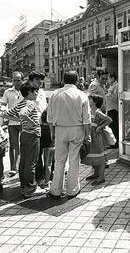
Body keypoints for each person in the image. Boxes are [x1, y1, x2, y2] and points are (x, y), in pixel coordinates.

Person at [47, 71, 91, 199]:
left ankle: (55, 189)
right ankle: (72, 190)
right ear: (77, 80)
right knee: (74, 160)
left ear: (63, 80)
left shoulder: (55, 94)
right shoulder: (82, 95)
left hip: (59, 129)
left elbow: (49, 117)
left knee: (59, 160)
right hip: (77, 129)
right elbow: (87, 119)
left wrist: (52, 132)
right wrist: (87, 135)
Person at [4, 81, 42, 198]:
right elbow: (23, 113)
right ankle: (30, 188)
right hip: (33, 135)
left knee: (24, 161)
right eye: (35, 91)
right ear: (29, 92)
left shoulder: (21, 102)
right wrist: (32, 123)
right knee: (31, 162)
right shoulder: (31, 103)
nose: (37, 93)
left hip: (24, 134)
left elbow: (6, 114)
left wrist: (22, 121)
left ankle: (24, 186)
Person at [82, 94, 112, 185]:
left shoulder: (97, 112)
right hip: (91, 136)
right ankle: (96, 173)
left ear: (94, 102)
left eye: (90, 99)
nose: (88, 100)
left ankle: (101, 177)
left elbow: (109, 119)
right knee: (94, 155)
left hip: (97, 137)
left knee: (100, 156)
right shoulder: (90, 111)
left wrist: (100, 127)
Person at [28, 70, 48, 188]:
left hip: (44, 126)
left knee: (45, 152)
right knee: (36, 154)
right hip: (33, 127)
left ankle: (46, 175)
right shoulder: (26, 93)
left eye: (41, 80)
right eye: (37, 80)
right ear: (31, 81)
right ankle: (38, 178)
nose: (40, 82)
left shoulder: (42, 92)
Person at [1, 71, 23, 177]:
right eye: (14, 80)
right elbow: (3, 106)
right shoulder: (8, 92)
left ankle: (21, 166)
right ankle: (13, 168)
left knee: (24, 145)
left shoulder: (26, 91)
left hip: (24, 122)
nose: (16, 82)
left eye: (18, 80)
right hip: (12, 122)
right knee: (13, 145)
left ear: (22, 80)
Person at [39, 109, 54, 188]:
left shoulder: (40, 128)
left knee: (45, 164)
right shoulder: (52, 129)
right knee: (49, 164)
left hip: (43, 146)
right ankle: (47, 182)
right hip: (51, 146)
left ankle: (45, 180)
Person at [105, 72, 118, 148]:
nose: (108, 80)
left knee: (114, 126)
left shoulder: (116, 86)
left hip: (114, 108)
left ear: (113, 78)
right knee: (111, 126)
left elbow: (115, 97)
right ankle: (113, 142)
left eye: (109, 78)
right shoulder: (112, 85)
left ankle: (115, 143)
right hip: (110, 108)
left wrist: (108, 93)